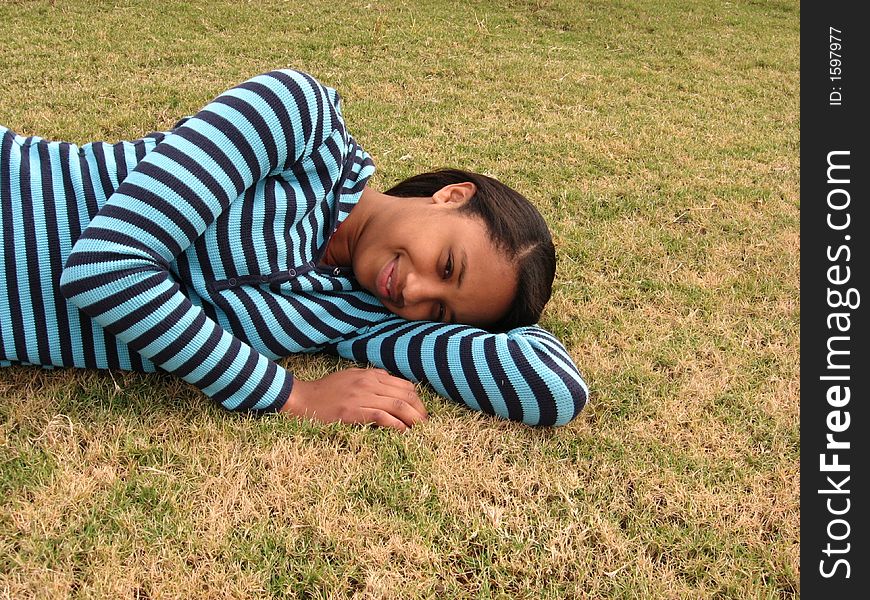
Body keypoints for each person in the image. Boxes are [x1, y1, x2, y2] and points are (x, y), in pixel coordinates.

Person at [1, 68, 588, 430]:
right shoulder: (298, 121)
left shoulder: (359, 315)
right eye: (447, 265)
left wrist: (499, 317)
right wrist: (291, 394)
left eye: (440, 310)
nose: (415, 290)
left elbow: (550, 390)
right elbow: (105, 269)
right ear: (451, 195)